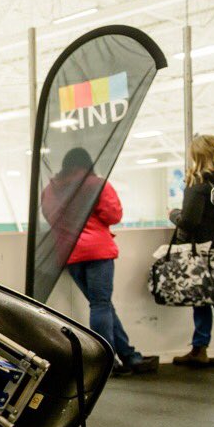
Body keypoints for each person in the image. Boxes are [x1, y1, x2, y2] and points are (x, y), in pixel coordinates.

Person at [41, 148, 159, 376]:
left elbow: (49, 215)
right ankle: (107, 360)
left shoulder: (51, 188)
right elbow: (113, 215)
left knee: (101, 304)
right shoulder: (96, 184)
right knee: (101, 304)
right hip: (97, 252)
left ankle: (129, 356)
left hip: (70, 254)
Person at [169, 134, 214, 368]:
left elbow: (188, 221)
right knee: (212, 295)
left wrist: (173, 214)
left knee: (211, 298)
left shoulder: (198, 182)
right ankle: (207, 346)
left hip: (201, 249)